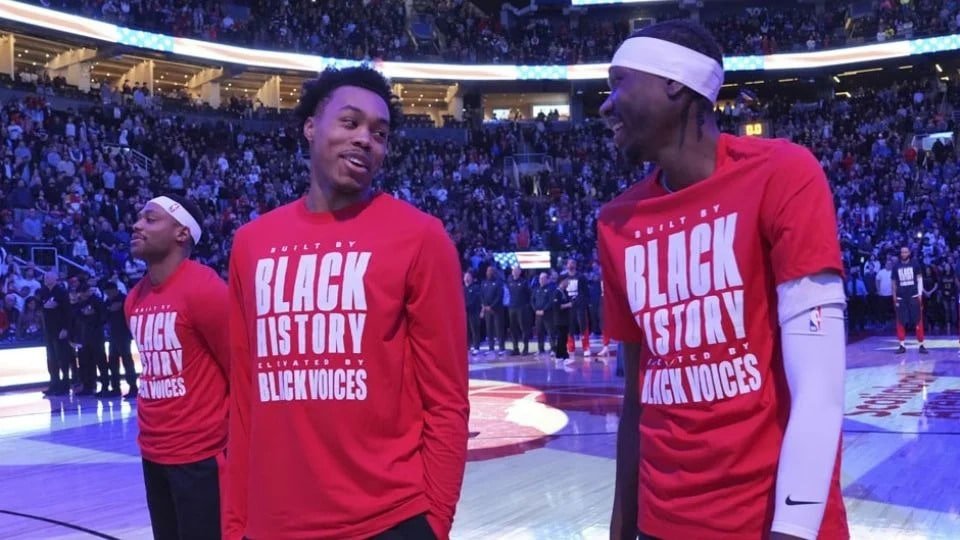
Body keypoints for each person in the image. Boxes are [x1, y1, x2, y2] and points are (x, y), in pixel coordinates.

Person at [597, 20, 849, 540]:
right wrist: (621, 531)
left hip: (772, 524)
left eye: (618, 83)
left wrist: (794, 527)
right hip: (662, 523)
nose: (605, 106)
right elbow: (634, 402)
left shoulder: (783, 173)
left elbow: (820, 388)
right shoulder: (616, 221)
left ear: (674, 82)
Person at [223, 66, 469, 540]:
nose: (365, 140)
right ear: (310, 127)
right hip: (272, 525)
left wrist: (434, 523)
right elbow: (244, 397)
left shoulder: (421, 237)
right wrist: (235, 524)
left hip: (388, 520)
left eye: (379, 133)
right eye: (350, 122)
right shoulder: (251, 243)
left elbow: (447, 400)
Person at [125, 193, 229, 540]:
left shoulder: (206, 289)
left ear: (182, 233)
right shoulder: (134, 298)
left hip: (202, 455)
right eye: (139, 217)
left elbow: (240, 370)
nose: (137, 225)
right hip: (153, 449)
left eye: (150, 219)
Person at [892, 246, 926, 354]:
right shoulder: (896, 266)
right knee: (900, 321)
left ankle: (921, 344)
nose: (904, 254)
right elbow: (893, 283)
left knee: (918, 320)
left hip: (914, 296)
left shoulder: (915, 264)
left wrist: (920, 294)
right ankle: (902, 345)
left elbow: (920, 279)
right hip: (901, 297)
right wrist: (894, 296)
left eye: (906, 252)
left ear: (909, 253)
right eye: (902, 252)